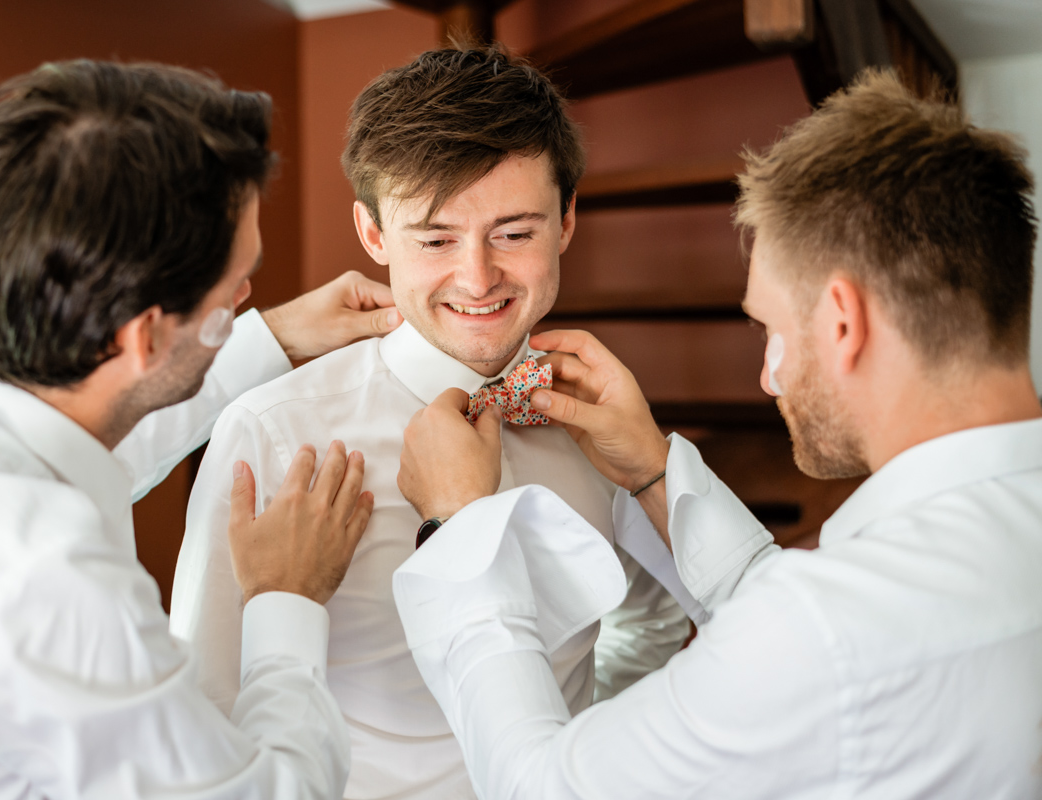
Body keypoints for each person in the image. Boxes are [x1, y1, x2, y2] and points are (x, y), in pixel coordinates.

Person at [392, 70, 1042, 798]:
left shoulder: (826, 626)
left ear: (841, 321)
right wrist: (653, 476)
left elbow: (540, 789)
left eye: (770, 328)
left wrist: (459, 533)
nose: (769, 377)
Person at [0, 60, 405, 799]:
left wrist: (269, 335)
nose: (246, 295)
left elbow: (103, 424)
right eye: (235, 288)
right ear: (145, 336)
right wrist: (286, 599)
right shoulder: (54, 591)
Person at [170, 46, 687, 800]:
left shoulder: (606, 418)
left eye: (514, 233)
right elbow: (205, 715)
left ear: (568, 219)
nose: (478, 279)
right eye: (435, 238)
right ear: (375, 235)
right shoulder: (273, 434)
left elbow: (650, 623)